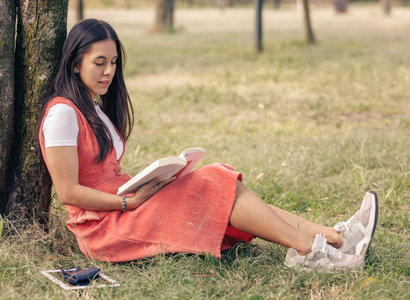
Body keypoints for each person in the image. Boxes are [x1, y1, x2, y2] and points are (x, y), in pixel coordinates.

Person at [38, 19, 378, 270]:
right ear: (74, 61)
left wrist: (152, 182)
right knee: (214, 181)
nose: (109, 72)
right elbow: (68, 192)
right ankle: (310, 250)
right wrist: (127, 201)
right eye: (100, 62)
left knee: (219, 180)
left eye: (113, 63)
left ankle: (335, 237)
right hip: (105, 225)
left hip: (126, 202)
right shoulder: (62, 114)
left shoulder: (92, 107)